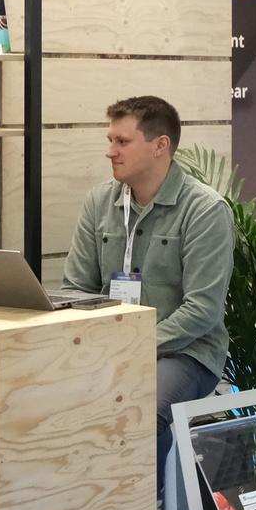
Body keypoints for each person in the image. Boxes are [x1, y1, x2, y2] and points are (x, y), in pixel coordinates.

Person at [62, 95, 235, 471]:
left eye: (122, 142)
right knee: (26, 401)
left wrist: (133, 346)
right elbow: (76, 289)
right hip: (109, 345)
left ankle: (146, 503)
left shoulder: (205, 210)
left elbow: (202, 311)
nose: (110, 151)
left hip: (186, 353)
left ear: (161, 146)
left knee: (141, 412)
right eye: (110, 140)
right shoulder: (99, 202)